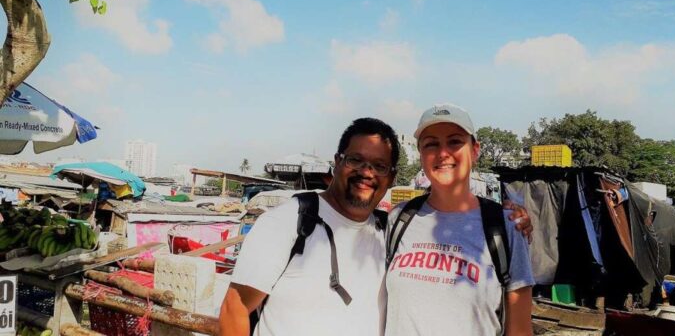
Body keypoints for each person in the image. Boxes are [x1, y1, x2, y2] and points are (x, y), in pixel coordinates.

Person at [219, 117, 532, 336]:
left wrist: (510, 218)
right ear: (337, 161)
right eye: (356, 160)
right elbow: (235, 310)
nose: (366, 172)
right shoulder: (288, 222)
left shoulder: (391, 227)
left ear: (392, 177)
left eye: (379, 166)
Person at [385, 103, 534, 336]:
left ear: (475, 150)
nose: (443, 153)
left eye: (455, 141)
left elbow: (520, 331)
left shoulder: (506, 227)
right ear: (421, 154)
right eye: (431, 144)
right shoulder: (399, 219)